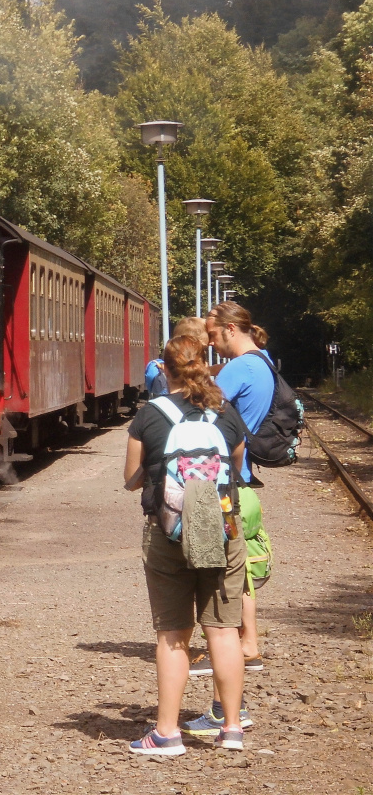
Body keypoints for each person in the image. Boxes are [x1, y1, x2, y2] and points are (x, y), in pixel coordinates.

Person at [124, 333, 248, 755]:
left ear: (166, 367)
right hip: (223, 532)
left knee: (173, 635)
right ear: (203, 364)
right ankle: (231, 729)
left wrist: (157, 469)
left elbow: (130, 479)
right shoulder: (224, 412)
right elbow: (236, 465)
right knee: (224, 630)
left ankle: (166, 734)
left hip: (168, 534)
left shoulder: (150, 414)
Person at [182, 301, 273, 730]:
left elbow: (201, 405)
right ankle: (242, 663)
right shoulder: (263, 361)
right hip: (242, 486)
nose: (212, 347)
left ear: (230, 329)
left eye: (214, 337)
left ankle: (226, 711)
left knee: (221, 612)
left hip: (222, 490)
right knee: (238, 586)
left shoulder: (237, 369)